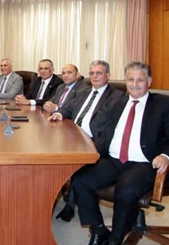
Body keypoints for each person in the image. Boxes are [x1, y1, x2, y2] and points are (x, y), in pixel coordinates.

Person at [71, 61, 169, 245]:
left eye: (140, 80)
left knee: (125, 191)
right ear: (126, 81)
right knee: (80, 180)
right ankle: (99, 231)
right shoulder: (117, 103)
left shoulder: (164, 104)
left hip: (144, 162)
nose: (135, 84)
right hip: (114, 159)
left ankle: (114, 241)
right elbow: (105, 135)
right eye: (131, 79)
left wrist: (165, 156)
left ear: (149, 81)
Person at [48, 60, 124, 222]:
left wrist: (93, 145)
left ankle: (70, 206)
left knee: (74, 167)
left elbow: (110, 129)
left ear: (108, 75)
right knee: (47, 153)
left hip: (93, 141)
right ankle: (48, 199)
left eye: (99, 73)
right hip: (73, 136)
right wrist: (59, 113)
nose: (94, 76)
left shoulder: (117, 97)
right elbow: (68, 108)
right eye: (92, 73)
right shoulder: (84, 91)